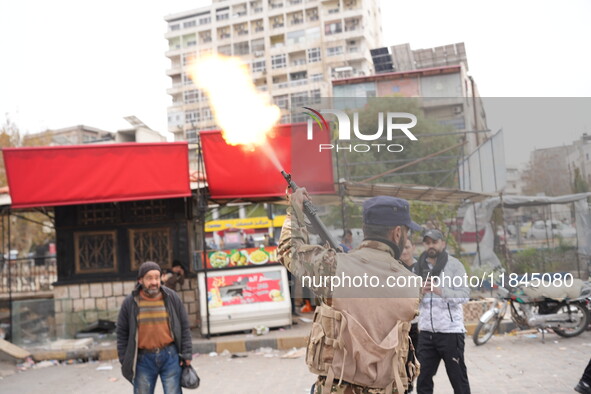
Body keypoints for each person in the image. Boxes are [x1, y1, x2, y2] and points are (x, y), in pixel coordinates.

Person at [278, 190, 421, 394]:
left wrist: (296, 211)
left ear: (364, 228)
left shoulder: (334, 267)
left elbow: (289, 250)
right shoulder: (412, 284)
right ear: (397, 233)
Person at [117, 261, 193, 394]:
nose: (154, 282)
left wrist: (186, 353)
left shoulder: (171, 297)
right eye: (149, 278)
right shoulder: (130, 303)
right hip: (143, 360)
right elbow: (122, 333)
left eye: (157, 277)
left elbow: (184, 326)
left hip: (170, 356)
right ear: (140, 280)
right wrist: (124, 359)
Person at [415, 229, 471, 394]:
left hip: (450, 332)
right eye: (427, 242)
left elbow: (464, 295)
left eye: (434, 242)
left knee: (458, 378)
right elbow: (410, 298)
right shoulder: (418, 267)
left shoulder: (454, 265)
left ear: (442, 243)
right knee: (423, 378)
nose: (431, 245)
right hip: (426, 332)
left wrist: (440, 291)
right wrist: (420, 292)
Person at [399, 238, 419, 393]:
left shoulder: (422, 268)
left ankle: (409, 387)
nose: (404, 251)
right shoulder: (394, 267)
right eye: (402, 248)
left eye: (407, 247)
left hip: (416, 324)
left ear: (413, 247)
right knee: (399, 360)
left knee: (413, 360)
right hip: (398, 324)